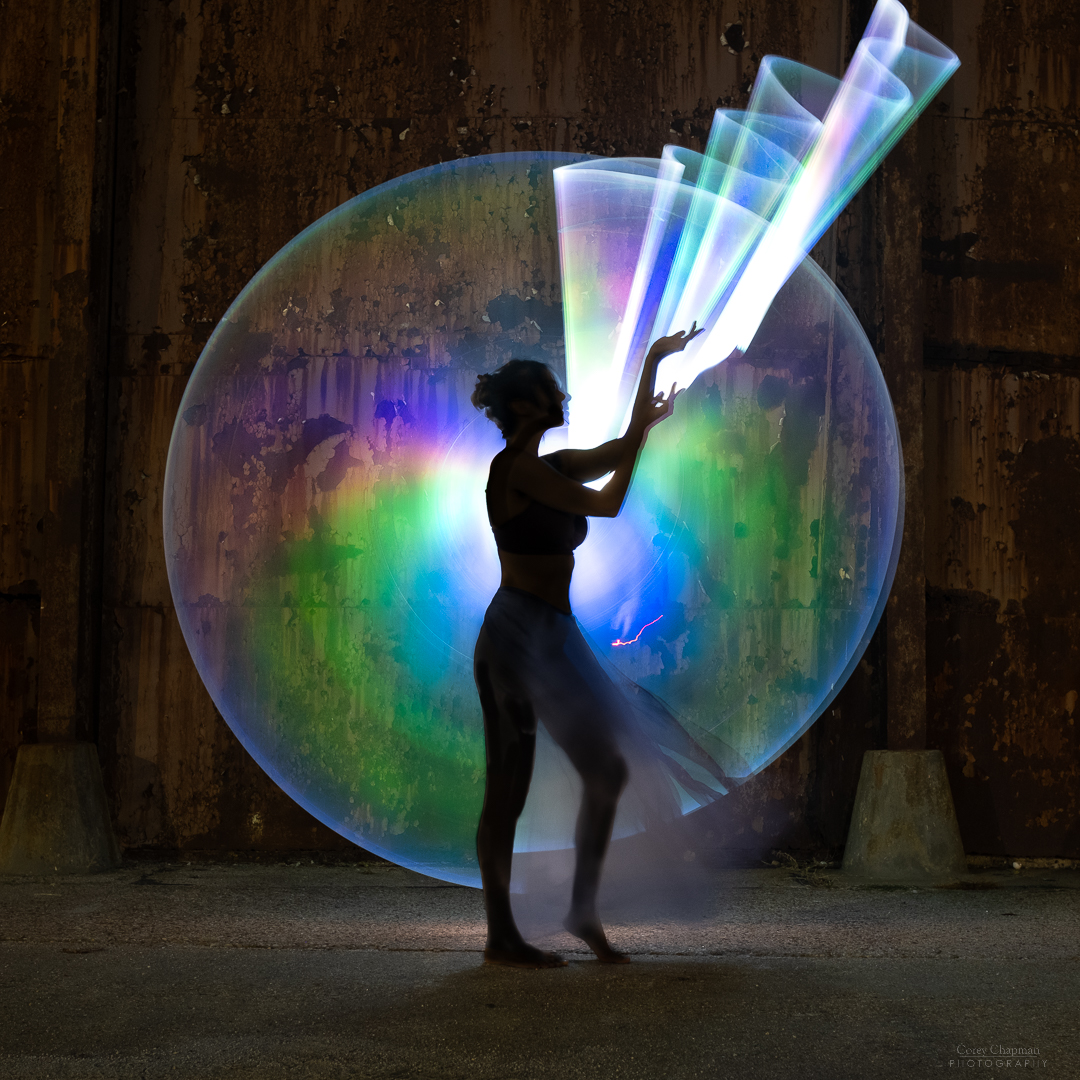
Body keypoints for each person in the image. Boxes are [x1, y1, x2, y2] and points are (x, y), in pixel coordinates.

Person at [471, 325, 709, 969]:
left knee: (605, 771)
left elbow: (621, 448)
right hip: (515, 637)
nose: (562, 395)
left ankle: (581, 911)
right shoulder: (516, 470)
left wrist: (654, 368)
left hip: (553, 634)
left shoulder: (550, 465)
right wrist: (640, 433)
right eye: (550, 389)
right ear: (524, 405)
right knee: (507, 790)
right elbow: (606, 505)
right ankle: (501, 937)